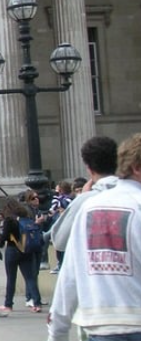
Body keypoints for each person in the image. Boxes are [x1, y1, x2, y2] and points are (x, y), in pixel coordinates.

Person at [49, 132, 141, 340]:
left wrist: (57, 331)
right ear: (137, 167)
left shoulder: (88, 207)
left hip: (100, 322)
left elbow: (70, 273)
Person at [50, 136, 119, 273]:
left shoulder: (85, 200)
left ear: (89, 168)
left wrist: (81, 198)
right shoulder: (133, 194)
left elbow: (59, 240)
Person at [0, 196, 41, 314]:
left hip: (12, 250)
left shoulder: (9, 220)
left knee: (11, 278)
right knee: (30, 278)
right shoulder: (26, 217)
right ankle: (36, 303)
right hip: (26, 250)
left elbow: (5, 237)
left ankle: (8, 304)